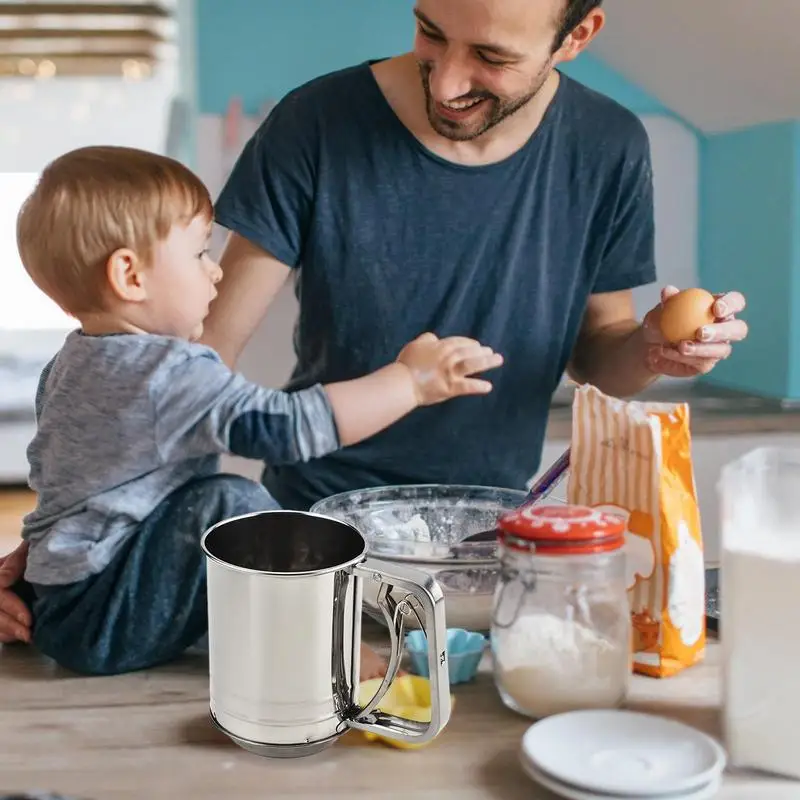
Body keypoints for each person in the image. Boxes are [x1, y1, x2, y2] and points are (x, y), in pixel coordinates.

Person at [0, 0, 748, 644]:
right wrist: (75, 546)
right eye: (430, 32)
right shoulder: (316, 123)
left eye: (489, 56)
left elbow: (599, 355)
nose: (449, 81)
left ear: (577, 35)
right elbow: (197, 362)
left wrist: (655, 348)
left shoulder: (609, 146)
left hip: (481, 539)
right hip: (304, 535)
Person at [0, 144, 501, 675]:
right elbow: (288, 429)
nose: (216, 273)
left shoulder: (69, 364)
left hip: (64, 605)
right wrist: (410, 383)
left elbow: (63, 483)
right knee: (230, 502)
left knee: (206, 506)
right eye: (198, 254)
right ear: (130, 276)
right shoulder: (169, 372)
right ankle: (326, 648)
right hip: (106, 616)